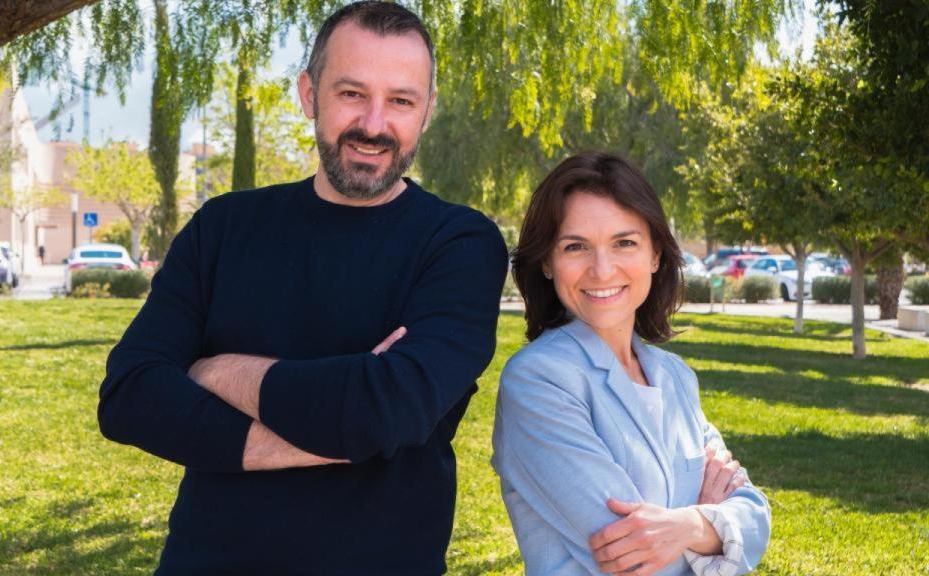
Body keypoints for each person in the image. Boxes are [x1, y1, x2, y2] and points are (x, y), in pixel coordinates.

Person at [97, 2, 508, 574]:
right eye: (351, 94)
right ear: (309, 94)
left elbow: (387, 409)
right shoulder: (223, 227)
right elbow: (130, 398)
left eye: (401, 101)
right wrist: (346, 427)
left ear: (427, 111)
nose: (374, 123)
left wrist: (214, 373)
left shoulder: (459, 244)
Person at [492, 152, 771, 575]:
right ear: (547, 262)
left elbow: (756, 516)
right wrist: (713, 526)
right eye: (575, 246)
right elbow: (633, 559)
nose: (602, 270)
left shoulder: (675, 377)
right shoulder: (537, 381)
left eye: (624, 243)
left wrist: (689, 524)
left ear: (655, 254)